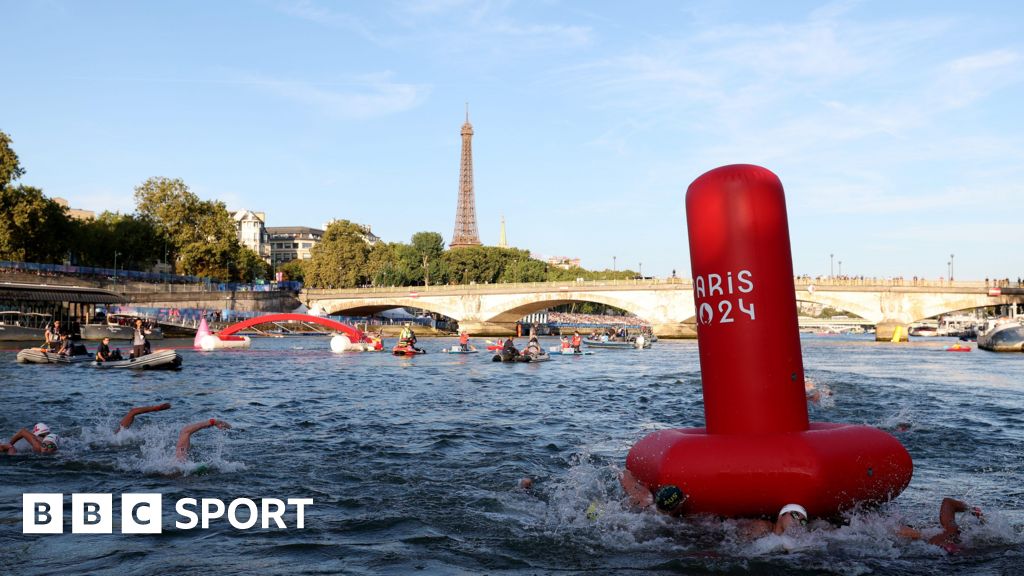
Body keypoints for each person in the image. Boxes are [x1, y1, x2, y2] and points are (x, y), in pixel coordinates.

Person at [898, 497, 984, 552]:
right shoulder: (949, 533)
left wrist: (972, 510)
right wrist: (971, 510)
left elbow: (948, 502)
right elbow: (948, 502)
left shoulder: (949, 532)